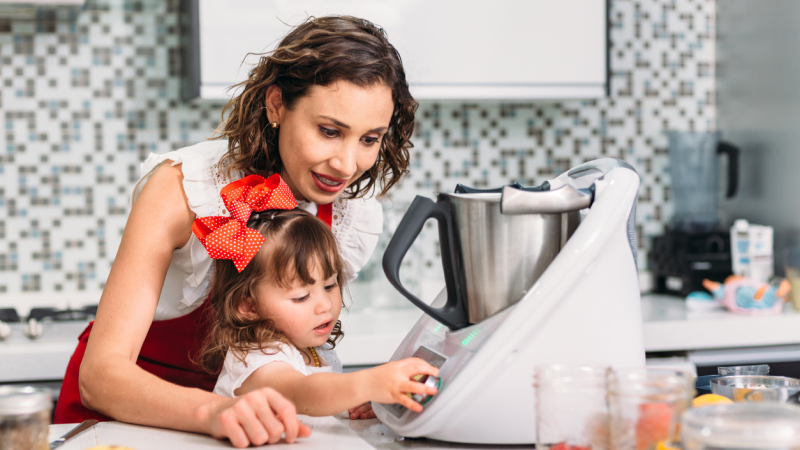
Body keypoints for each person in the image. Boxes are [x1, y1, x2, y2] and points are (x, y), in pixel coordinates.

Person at [54, 15, 418, 448]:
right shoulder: (182, 188)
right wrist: (216, 411)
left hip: (239, 428)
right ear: (277, 105)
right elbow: (102, 377)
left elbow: (281, 356)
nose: (346, 164)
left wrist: (348, 395)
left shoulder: (346, 214)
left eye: (369, 139)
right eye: (329, 131)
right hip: (118, 424)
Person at [195, 175, 438, 417]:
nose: (325, 305)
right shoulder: (257, 358)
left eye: (330, 285)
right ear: (248, 307)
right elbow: (301, 393)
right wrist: (368, 384)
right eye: (301, 297)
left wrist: (363, 398)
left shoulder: (307, 347)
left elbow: (322, 401)